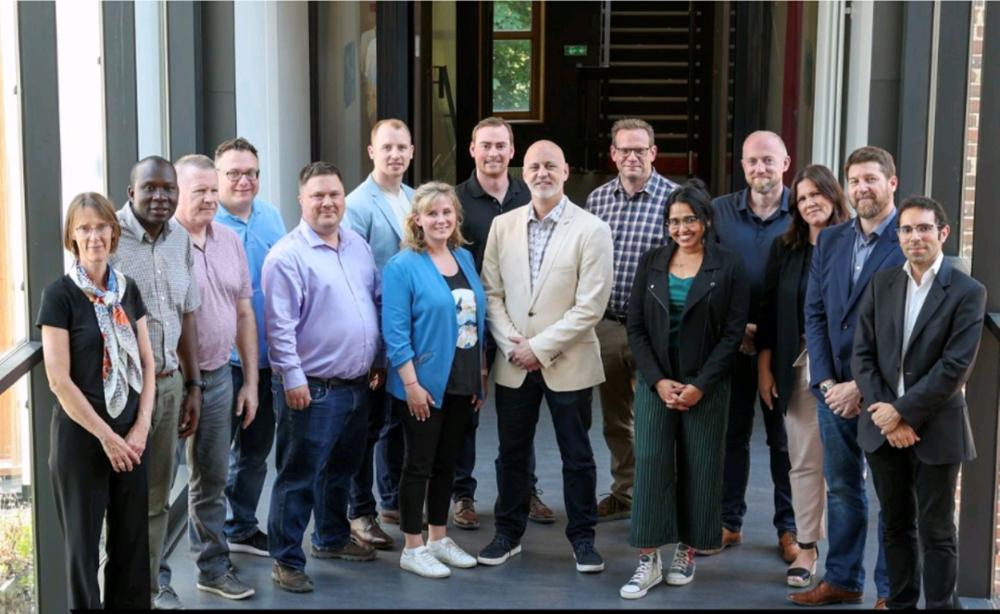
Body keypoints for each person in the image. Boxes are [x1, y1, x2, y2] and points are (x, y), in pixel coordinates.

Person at [478, 140, 613, 573]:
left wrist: (539, 347)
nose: (542, 173)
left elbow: (590, 306)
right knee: (511, 453)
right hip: (514, 362)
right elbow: (491, 293)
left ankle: (583, 539)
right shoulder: (504, 226)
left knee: (577, 455)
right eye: (534, 166)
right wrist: (513, 344)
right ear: (524, 173)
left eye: (550, 165)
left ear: (566, 171)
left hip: (567, 363)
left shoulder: (593, 229)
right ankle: (508, 533)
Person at [853, 196, 985, 609]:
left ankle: (942, 607)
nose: (915, 237)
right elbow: (863, 355)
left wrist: (903, 411)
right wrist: (887, 416)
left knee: (937, 531)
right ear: (899, 236)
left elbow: (954, 367)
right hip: (882, 429)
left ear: (943, 233)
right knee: (894, 526)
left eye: (924, 228)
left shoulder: (968, 292)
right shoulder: (883, 283)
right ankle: (902, 604)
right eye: (907, 229)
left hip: (937, 429)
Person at [619, 179, 749, 598]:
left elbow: (732, 335)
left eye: (690, 219)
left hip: (705, 385)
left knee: (700, 464)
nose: (682, 228)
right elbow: (635, 326)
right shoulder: (652, 261)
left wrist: (700, 386)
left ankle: (687, 552)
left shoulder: (728, 265)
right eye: (674, 221)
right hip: (658, 381)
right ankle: (648, 560)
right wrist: (657, 380)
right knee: (653, 461)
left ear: (706, 220)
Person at [792, 146, 902, 607]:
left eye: (871, 179)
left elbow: (906, 325)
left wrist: (861, 387)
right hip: (831, 390)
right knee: (841, 488)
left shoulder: (908, 237)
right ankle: (842, 579)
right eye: (855, 180)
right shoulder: (833, 239)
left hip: (883, 395)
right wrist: (824, 383)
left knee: (891, 497)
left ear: (891, 183)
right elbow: (815, 313)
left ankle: (891, 592)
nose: (862, 188)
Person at [264, 161, 382, 593]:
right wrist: (293, 380)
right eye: (318, 195)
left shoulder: (357, 245)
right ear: (301, 201)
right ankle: (286, 560)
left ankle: (331, 538)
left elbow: (372, 300)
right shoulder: (286, 256)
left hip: (356, 384)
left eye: (334, 194)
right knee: (299, 475)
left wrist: (379, 358)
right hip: (311, 388)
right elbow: (278, 328)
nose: (328, 202)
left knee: (342, 470)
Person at [39, 193, 156, 609]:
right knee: (82, 554)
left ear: (113, 231)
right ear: (72, 236)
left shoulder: (129, 290)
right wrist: (108, 437)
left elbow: (146, 363)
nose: (94, 236)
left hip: (132, 440)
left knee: (131, 548)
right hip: (83, 440)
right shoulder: (59, 295)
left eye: (101, 227)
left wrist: (140, 428)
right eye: (84, 228)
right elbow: (59, 381)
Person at [109, 156, 202, 610]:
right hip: (122, 392)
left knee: (157, 498)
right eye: (150, 189)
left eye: (168, 189)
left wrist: (194, 386)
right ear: (131, 192)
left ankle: (145, 590)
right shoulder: (108, 239)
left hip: (169, 386)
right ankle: (118, 591)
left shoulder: (180, 238)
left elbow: (187, 314)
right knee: (119, 496)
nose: (161, 197)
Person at [382, 182, 487, 577]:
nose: (441, 219)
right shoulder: (402, 266)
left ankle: (438, 538)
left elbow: (476, 320)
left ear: (455, 217)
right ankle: (413, 546)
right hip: (423, 384)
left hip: (461, 380)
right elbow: (395, 333)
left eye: (447, 213)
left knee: (448, 463)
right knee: (418, 464)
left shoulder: (465, 258)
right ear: (417, 220)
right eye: (432, 213)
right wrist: (411, 385)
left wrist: (480, 374)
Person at [452, 116, 552, 529]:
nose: (493, 153)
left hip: (520, 320)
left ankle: (523, 490)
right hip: (468, 319)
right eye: (485, 145)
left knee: (520, 410)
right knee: (466, 410)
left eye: (501, 146)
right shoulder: (456, 200)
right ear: (472, 150)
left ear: (513, 152)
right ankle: (463, 494)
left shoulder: (530, 196)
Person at [756, 165, 851, 587]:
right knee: (804, 462)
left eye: (818, 193)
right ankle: (808, 547)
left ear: (834, 196)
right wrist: (765, 365)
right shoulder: (786, 248)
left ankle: (847, 564)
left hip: (852, 371)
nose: (811, 202)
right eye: (803, 196)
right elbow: (769, 311)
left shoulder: (856, 244)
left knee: (849, 471)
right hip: (798, 368)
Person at [171, 154, 256, 600]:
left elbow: (244, 312)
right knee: (157, 486)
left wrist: (253, 382)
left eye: (211, 189)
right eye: (196, 190)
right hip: (168, 383)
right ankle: (153, 581)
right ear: (177, 193)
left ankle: (213, 567)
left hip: (220, 375)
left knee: (211, 479)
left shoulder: (229, 241)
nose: (207, 198)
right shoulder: (163, 246)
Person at [585, 117, 679, 522]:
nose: (632, 157)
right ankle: (625, 493)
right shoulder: (597, 200)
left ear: (653, 153)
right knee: (615, 420)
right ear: (613, 154)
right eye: (624, 149)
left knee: (655, 421)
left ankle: (657, 500)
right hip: (605, 326)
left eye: (640, 149)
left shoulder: (676, 200)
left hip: (654, 329)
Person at [710, 130, 797, 561]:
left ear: (785, 163)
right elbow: (706, 272)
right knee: (732, 435)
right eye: (751, 161)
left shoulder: (804, 211)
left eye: (768, 160)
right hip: (733, 341)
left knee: (784, 439)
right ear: (742, 166)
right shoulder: (720, 212)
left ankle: (790, 528)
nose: (759, 168)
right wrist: (737, 326)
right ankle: (729, 522)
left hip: (785, 346)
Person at [343, 118, 416, 547]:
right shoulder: (358, 205)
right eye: (386, 147)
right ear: (371, 151)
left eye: (402, 147)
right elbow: (357, 277)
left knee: (395, 423)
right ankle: (360, 511)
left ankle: (390, 499)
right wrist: (374, 351)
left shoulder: (412, 197)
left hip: (405, 331)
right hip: (374, 332)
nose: (395, 154)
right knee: (365, 428)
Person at [214, 137, 287, 559]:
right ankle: (210, 542)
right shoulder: (208, 224)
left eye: (252, 173)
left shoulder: (271, 217)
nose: (244, 181)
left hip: (266, 358)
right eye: (235, 173)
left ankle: (241, 526)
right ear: (218, 176)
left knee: (256, 452)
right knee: (215, 457)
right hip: (223, 361)